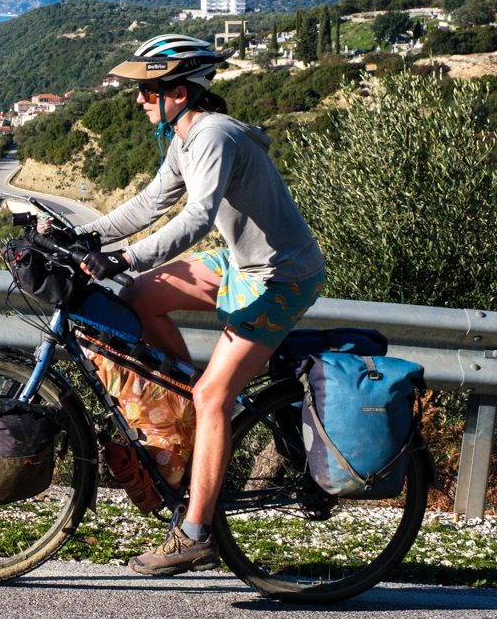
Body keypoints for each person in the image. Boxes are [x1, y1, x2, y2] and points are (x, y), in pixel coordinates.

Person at [70, 33, 326, 576]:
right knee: (141, 299)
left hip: (282, 278)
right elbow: (150, 203)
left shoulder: (212, 135)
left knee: (215, 396)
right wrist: (84, 238)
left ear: (180, 92)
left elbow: (195, 220)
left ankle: (195, 532)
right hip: (242, 265)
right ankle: (193, 403)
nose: (138, 100)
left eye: (148, 90)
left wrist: (125, 258)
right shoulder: (184, 137)